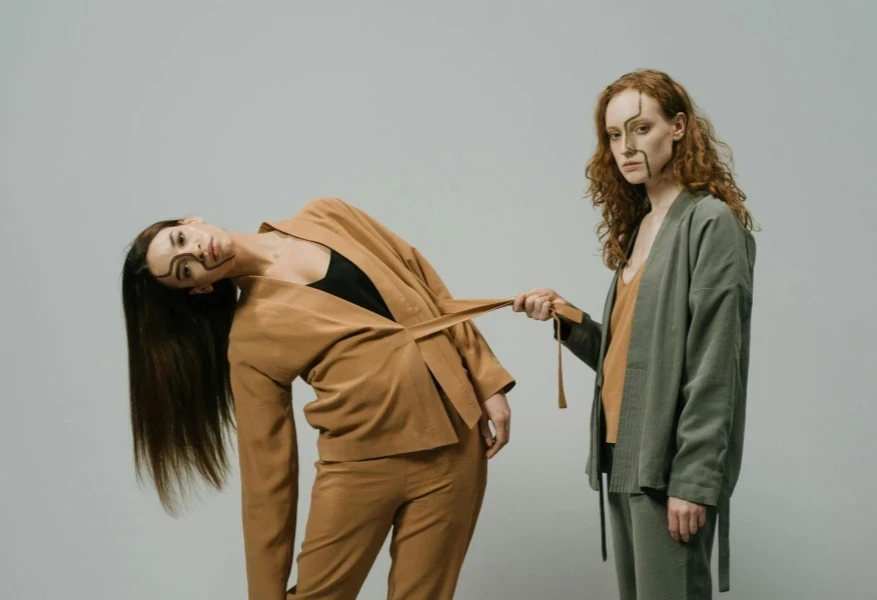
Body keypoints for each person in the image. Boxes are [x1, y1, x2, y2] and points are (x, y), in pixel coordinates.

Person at [121, 196, 518, 600]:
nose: (194, 253)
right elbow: (267, 475)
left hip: (455, 450)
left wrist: (488, 381)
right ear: (201, 286)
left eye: (181, 239)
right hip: (361, 468)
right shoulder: (249, 339)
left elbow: (429, 292)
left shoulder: (329, 215)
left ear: (192, 221)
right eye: (184, 271)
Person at [514, 69, 756, 599]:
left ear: (678, 127)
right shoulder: (641, 225)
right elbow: (630, 357)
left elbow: (716, 363)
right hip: (622, 451)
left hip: (667, 464)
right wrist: (565, 317)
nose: (626, 147)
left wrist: (693, 480)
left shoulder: (710, 222)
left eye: (640, 128)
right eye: (614, 135)